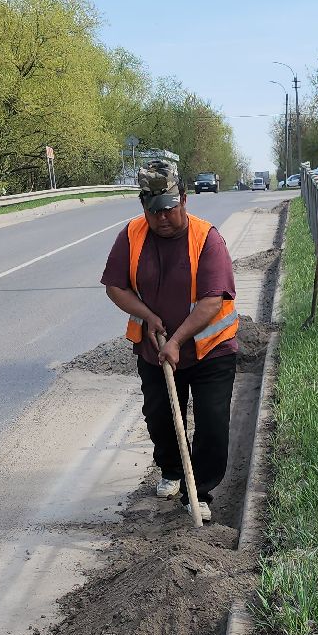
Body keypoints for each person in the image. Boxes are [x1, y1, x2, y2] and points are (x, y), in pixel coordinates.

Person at [101, 159, 238, 523]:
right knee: (160, 416)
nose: (162, 218)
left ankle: (201, 491)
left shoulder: (207, 239)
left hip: (210, 350)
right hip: (155, 349)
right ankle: (173, 471)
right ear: (143, 208)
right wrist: (148, 317)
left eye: (168, 209)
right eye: (152, 211)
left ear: (184, 201)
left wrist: (176, 339)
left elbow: (212, 300)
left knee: (211, 422)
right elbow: (115, 285)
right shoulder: (131, 235)